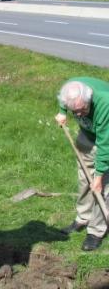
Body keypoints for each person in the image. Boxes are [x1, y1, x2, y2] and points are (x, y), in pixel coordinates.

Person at [55, 78, 109, 251]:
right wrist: (62, 112)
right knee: (85, 179)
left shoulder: (104, 103)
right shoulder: (70, 91)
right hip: (87, 136)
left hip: (105, 140)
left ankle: (96, 231)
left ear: (89, 99)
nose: (78, 115)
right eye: (74, 112)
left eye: (82, 110)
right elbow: (62, 100)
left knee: (104, 188)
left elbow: (104, 145)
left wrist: (99, 176)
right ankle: (83, 218)